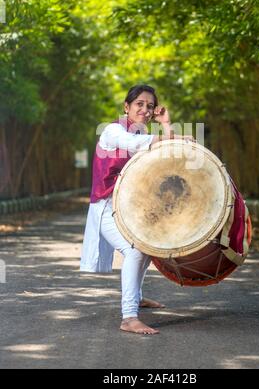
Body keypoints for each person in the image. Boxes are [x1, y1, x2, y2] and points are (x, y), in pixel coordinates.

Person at [80, 84, 195, 334]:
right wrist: (170, 137)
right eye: (139, 104)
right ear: (127, 107)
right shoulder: (113, 131)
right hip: (105, 207)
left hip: (128, 208)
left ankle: (137, 297)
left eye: (150, 106)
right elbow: (133, 143)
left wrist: (166, 123)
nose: (145, 109)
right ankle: (129, 317)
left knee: (146, 246)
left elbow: (166, 153)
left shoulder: (143, 134)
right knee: (134, 250)